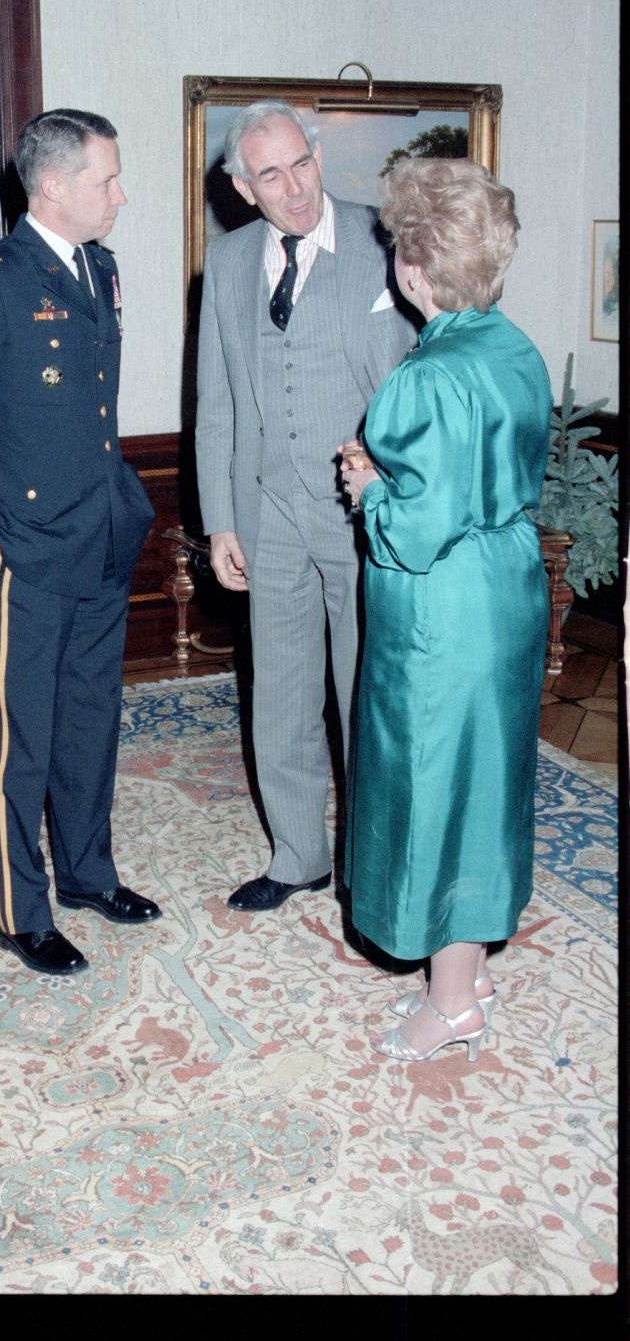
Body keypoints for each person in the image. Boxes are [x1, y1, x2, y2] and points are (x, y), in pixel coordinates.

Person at [0, 108, 160, 977]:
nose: (121, 196)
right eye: (107, 180)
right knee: (18, 735)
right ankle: (24, 911)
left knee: (91, 719)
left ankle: (90, 874)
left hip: (100, 536)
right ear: (52, 187)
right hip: (23, 548)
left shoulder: (102, 269)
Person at [340, 157, 552, 1061]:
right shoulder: (515, 349)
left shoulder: (423, 381)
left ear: (415, 269)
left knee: (435, 783)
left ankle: (454, 998)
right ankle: (469, 960)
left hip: (442, 608)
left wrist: (367, 486)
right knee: (487, 772)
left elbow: (414, 531)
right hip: (508, 586)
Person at [195, 101, 417, 912]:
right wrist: (222, 519)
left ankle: (374, 861)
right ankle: (298, 855)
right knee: (281, 691)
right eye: (270, 174)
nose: (293, 188)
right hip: (268, 512)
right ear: (241, 186)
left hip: (366, 515)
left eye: (302, 163)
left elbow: (428, 377)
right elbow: (215, 399)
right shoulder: (226, 263)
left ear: (319, 156)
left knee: (369, 693)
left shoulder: (386, 242)